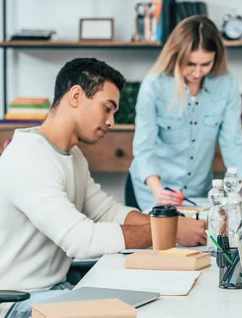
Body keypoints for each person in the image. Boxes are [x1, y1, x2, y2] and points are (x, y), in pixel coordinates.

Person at [0, 58, 208, 318]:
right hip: (20, 302)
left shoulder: (72, 156)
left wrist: (171, 224)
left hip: (57, 290)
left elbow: (106, 212)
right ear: (75, 95)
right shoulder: (29, 157)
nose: (111, 121)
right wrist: (169, 229)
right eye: (106, 108)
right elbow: (81, 240)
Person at [129, 15, 242, 211]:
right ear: (176, 56)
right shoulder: (154, 86)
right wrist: (158, 191)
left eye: (205, 64)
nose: (197, 72)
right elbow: (144, 148)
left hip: (198, 195)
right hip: (153, 192)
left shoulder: (226, 85)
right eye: (190, 64)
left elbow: (232, 143)